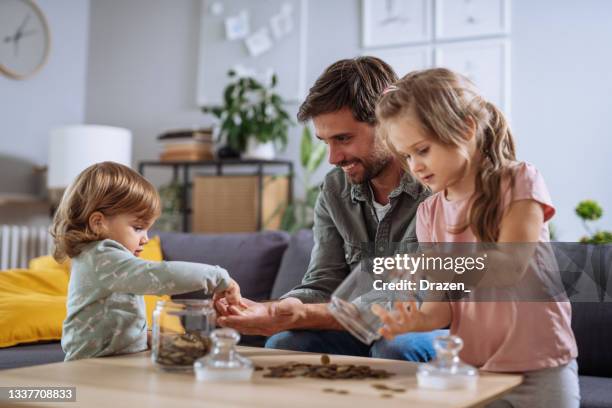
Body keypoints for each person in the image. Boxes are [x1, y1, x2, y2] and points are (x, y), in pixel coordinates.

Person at [215, 57, 446, 361]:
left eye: (344, 138)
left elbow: (414, 297)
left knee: (394, 347)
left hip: (430, 321)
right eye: (325, 141)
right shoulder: (335, 189)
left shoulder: (436, 186)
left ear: (389, 123)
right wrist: (279, 308)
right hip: (358, 325)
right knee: (286, 344)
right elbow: (324, 282)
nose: (333, 157)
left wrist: (303, 316)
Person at [372, 68, 579, 407]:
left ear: (466, 128)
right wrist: (414, 320)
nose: (415, 166)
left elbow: (509, 266)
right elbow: (440, 310)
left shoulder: (518, 182)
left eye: (422, 149)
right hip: (475, 372)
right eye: (407, 156)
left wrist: (426, 262)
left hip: (543, 367)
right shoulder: (429, 213)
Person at [51, 161, 243, 361]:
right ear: (99, 223)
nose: (145, 238)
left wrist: (142, 337)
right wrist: (218, 277)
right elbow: (158, 275)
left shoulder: (107, 261)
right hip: (89, 368)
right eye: (138, 228)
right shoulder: (101, 256)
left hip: (115, 363)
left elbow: (115, 314)